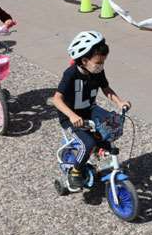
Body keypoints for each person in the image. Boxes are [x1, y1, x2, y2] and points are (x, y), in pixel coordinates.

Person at [51, 31, 131, 189]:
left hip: (90, 110)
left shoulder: (98, 71)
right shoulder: (71, 74)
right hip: (71, 117)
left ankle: (101, 151)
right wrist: (72, 116)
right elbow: (56, 99)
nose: (101, 66)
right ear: (84, 60)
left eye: (103, 62)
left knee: (110, 128)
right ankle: (75, 171)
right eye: (98, 63)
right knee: (88, 142)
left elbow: (106, 88)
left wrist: (119, 102)